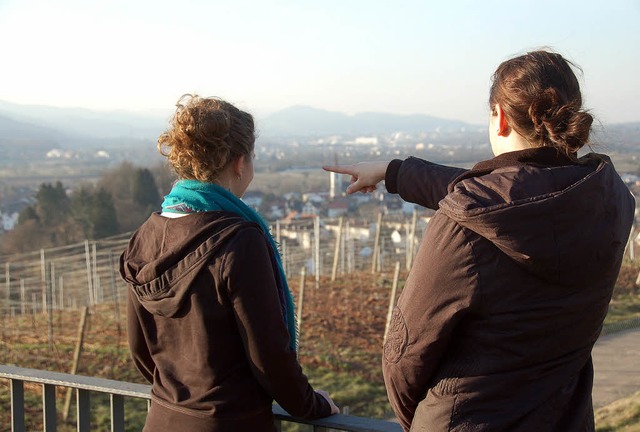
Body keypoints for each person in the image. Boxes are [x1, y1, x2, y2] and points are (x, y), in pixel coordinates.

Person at [324, 50, 635, 431]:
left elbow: (404, 355)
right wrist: (395, 173)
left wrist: (425, 421)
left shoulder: (465, 227)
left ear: (500, 117)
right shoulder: (611, 201)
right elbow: (507, 195)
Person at [120, 94, 338, 432]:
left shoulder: (144, 235)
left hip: (163, 418)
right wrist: (312, 404)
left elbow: (140, 351)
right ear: (239, 163)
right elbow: (269, 356)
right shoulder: (238, 240)